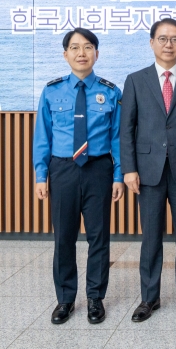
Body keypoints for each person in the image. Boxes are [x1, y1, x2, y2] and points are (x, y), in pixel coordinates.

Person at [120, 18, 176, 322]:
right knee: (151, 238)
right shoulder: (135, 80)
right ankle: (149, 298)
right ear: (151, 43)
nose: (168, 44)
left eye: (175, 39)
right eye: (162, 39)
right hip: (147, 172)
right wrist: (129, 169)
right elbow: (126, 129)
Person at [33, 27, 124, 325]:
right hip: (63, 170)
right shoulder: (52, 90)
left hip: (99, 169)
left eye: (87, 47)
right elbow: (42, 137)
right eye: (75, 47)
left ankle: (95, 298)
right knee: (64, 238)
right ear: (65, 54)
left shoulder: (111, 91)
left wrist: (118, 175)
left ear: (97, 53)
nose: (81, 53)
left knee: (99, 237)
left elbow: (117, 139)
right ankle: (66, 299)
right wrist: (40, 174)